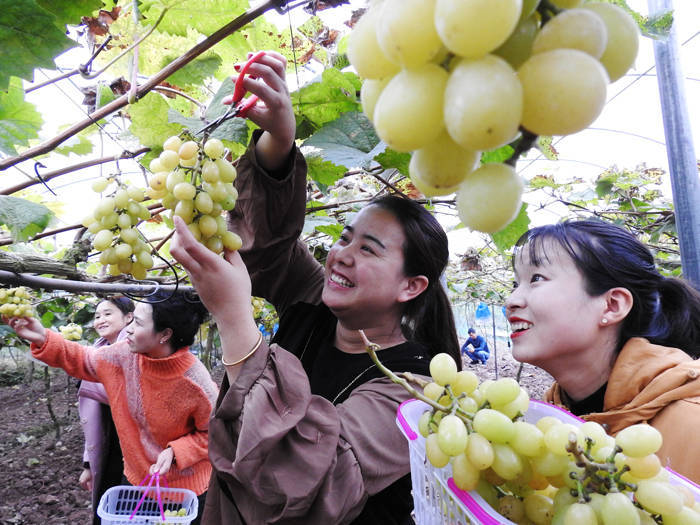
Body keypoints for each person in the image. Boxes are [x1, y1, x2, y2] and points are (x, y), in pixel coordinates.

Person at [169, 50, 461, 524]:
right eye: (345, 237)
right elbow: (270, 247)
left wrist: (235, 320)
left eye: (369, 249)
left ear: (411, 286)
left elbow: (296, 478)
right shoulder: (317, 304)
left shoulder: (414, 389)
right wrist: (278, 144)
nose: (342, 254)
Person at [505, 219, 700, 482]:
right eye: (516, 283)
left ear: (612, 305)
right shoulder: (552, 420)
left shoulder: (692, 423)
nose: (511, 300)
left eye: (536, 278)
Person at [3, 291, 218, 524]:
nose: (130, 328)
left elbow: (217, 434)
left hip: (183, 493)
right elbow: (85, 359)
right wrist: (42, 336)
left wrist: (177, 450)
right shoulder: (124, 355)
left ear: (165, 334)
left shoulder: (196, 383)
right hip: (136, 482)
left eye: (138, 322)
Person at [78, 295, 134, 525]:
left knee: (133, 507)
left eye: (108, 313)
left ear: (129, 317)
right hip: (111, 447)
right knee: (110, 506)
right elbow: (93, 420)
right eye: (97, 315)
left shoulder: (138, 351)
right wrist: (89, 464)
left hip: (137, 448)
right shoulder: (96, 354)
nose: (100, 320)